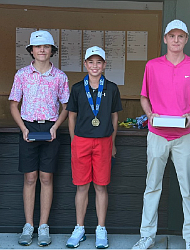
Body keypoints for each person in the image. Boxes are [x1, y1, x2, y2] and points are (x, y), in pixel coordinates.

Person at [132, 19, 190, 250]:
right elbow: (144, 97)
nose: (176, 40)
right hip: (157, 134)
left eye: (180, 36)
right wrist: (149, 114)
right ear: (165, 39)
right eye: (172, 36)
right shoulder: (152, 66)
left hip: (185, 135)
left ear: (186, 39)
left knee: (189, 189)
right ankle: (147, 235)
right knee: (152, 186)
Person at [9, 30, 69, 247]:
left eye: (46, 47)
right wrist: (23, 128)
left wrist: (56, 127)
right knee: (30, 178)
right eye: (37, 46)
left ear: (52, 50)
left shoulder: (60, 76)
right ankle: (28, 225)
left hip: (51, 130)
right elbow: (13, 104)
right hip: (28, 128)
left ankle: (43, 226)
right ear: (31, 51)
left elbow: (66, 106)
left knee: (46, 178)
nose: (42, 50)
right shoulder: (22, 74)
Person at [65, 46, 122, 249]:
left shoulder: (112, 88)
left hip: (104, 141)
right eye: (91, 62)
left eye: (99, 62)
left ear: (104, 65)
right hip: (81, 141)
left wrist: (113, 142)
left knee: (101, 185)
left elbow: (115, 117)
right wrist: (74, 140)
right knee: (82, 186)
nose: (95, 66)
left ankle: (100, 228)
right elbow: (71, 116)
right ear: (85, 64)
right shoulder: (78, 88)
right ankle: (79, 228)